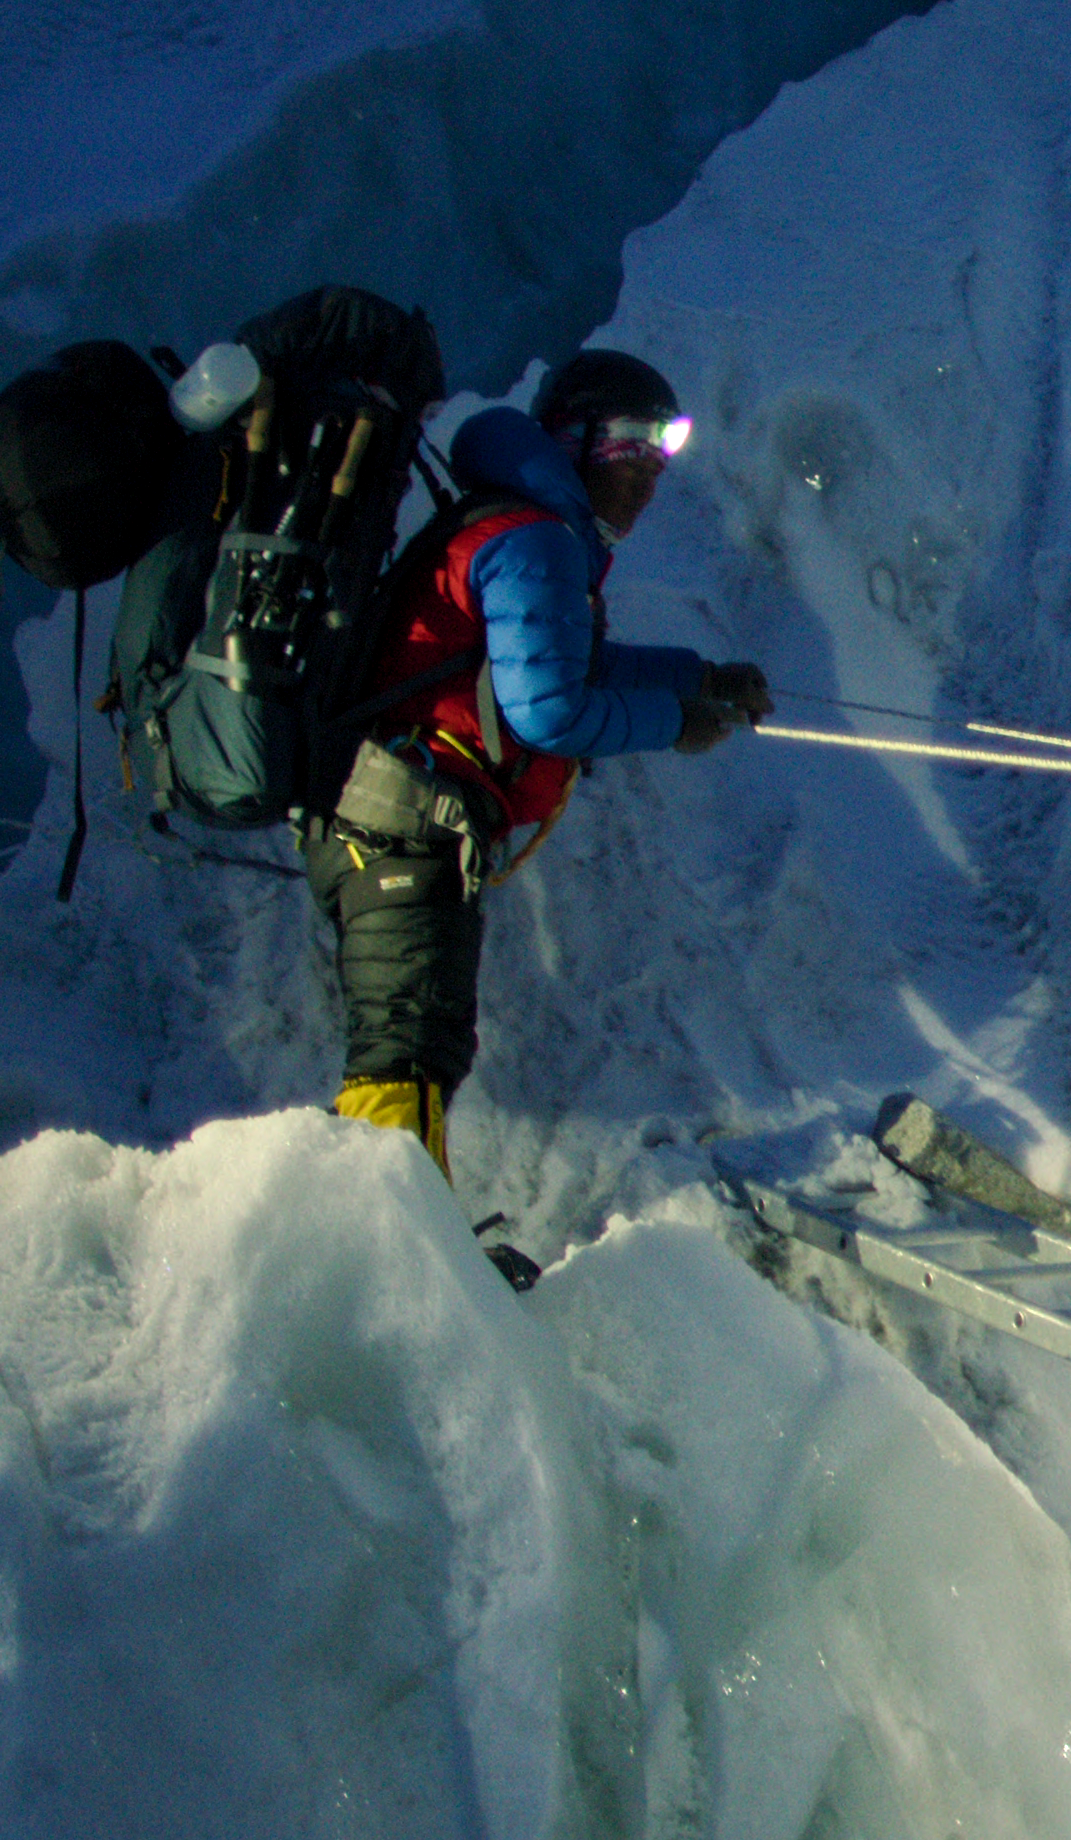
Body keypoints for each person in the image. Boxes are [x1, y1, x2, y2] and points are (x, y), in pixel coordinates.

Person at [304, 349, 770, 1229]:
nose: (646, 470)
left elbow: (575, 664)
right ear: (575, 438)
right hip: (403, 830)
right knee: (404, 1053)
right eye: (631, 441)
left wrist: (700, 678)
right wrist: (680, 724)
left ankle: (397, 1237)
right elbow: (550, 711)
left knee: (414, 1046)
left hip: (385, 825)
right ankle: (382, 1249)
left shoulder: (517, 526)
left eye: (660, 451)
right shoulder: (534, 539)